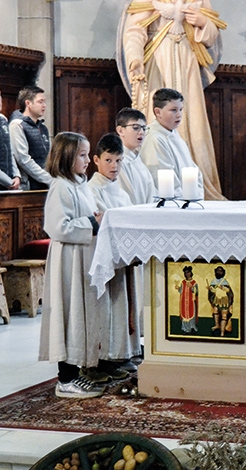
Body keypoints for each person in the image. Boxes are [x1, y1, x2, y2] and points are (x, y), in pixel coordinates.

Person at [119, 0, 227, 200]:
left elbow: (213, 36)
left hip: (187, 60)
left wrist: (204, 23)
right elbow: (135, 31)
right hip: (158, 59)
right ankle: (159, 190)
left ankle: (196, 186)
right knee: (156, 118)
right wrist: (135, 58)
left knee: (192, 121)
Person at [38, 132, 106, 398]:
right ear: (66, 156)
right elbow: (57, 227)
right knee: (68, 314)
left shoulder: (79, 183)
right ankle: (65, 379)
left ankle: (76, 372)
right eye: (82, 155)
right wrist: (92, 223)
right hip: (67, 261)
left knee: (79, 315)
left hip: (82, 258)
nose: (88, 160)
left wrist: (97, 218)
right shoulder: (60, 186)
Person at [87, 133, 141, 375]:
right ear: (96, 160)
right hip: (105, 257)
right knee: (110, 306)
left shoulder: (120, 191)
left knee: (125, 304)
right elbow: (98, 220)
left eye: (118, 161)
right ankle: (108, 355)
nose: (114, 166)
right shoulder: (92, 189)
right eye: (108, 160)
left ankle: (124, 352)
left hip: (124, 257)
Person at [139, 88, 204, 200]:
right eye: (174, 110)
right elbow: (163, 179)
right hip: (172, 205)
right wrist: (183, 202)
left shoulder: (175, 135)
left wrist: (196, 196)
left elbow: (194, 172)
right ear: (158, 112)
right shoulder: (154, 139)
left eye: (181, 109)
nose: (179, 115)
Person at [9, 85, 51, 190]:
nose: (44, 105)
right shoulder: (17, 125)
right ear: (28, 103)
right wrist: (49, 179)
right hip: (28, 186)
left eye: (44, 102)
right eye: (40, 102)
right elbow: (23, 159)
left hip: (44, 183)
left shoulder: (43, 127)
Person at [115, 107, 157, 205]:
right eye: (136, 128)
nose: (141, 132)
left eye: (144, 128)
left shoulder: (137, 158)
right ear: (120, 130)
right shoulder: (118, 161)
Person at [208, 265, 234, 337]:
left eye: (220, 271)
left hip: (224, 300)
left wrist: (222, 287)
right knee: (215, 311)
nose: (219, 272)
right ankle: (217, 325)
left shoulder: (224, 281)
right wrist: (210, 289)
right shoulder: (213, 281)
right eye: (217, 271)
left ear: (223, 273)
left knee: (224, 315)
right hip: (216, 299)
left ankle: (222, 331)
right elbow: (212, 291)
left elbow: (229, 291)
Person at [176, 266, 199, 334]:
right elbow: (181, 291)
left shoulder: (194, 282)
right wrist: (178, 288)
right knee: (184, 315)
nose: (187, 274)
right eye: (185, 273)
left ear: (191, 273)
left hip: (191, 301)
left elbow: (196, 292)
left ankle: (192, 327)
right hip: (184, 301)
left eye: (188, 272)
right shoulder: (183, 282)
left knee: (192, 314)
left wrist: (192, 287)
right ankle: (186, 329)